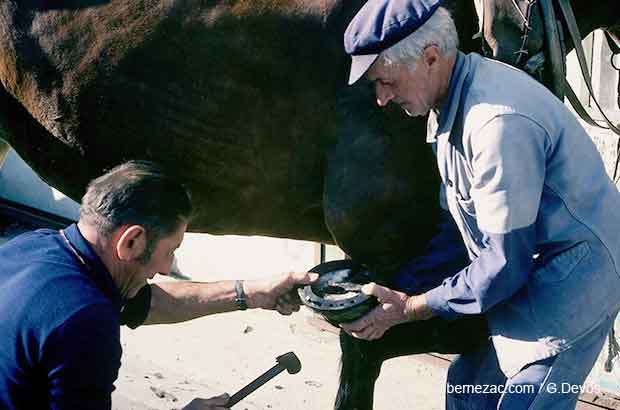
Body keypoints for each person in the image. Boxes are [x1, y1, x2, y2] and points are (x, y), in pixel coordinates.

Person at [340, 0, 620, 408]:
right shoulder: (449, 100)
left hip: (573, 283)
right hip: (529, 273)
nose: (382, 98)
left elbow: (504, 264)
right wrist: (395, 286)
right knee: (468, 389)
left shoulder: (495, 125)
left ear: (430, 57)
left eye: (386, 82)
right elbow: (459, 227)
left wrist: (412, 307)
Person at [0, 160, 317, 410]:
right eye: (170, 252)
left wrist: (252, 293)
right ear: (132, 240)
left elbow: (147, 302)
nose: (166, 268)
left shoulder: (30, 247)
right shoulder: (86, 322)